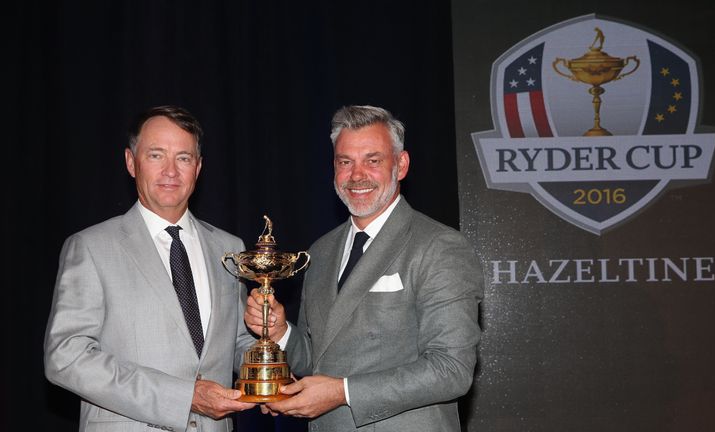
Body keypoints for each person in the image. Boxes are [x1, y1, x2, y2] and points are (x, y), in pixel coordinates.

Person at [245, 105, 484, 431]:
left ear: (400, 165)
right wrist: (280, 332)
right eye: (345, 162)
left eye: (373, 161)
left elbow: (451, 370)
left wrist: (343, 392)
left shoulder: (439, 246)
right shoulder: (322, 250)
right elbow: (319, 358)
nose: (356, 175)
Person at [44, 105, 257, 432]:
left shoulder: (229, 248)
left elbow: (238, 345)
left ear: (198, 168)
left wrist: (273, 362)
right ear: (131, 162)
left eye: (184, 158)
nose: (171, 171)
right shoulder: (91, 247)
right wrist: (184, 397)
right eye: (156, 155)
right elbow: (66, 357)